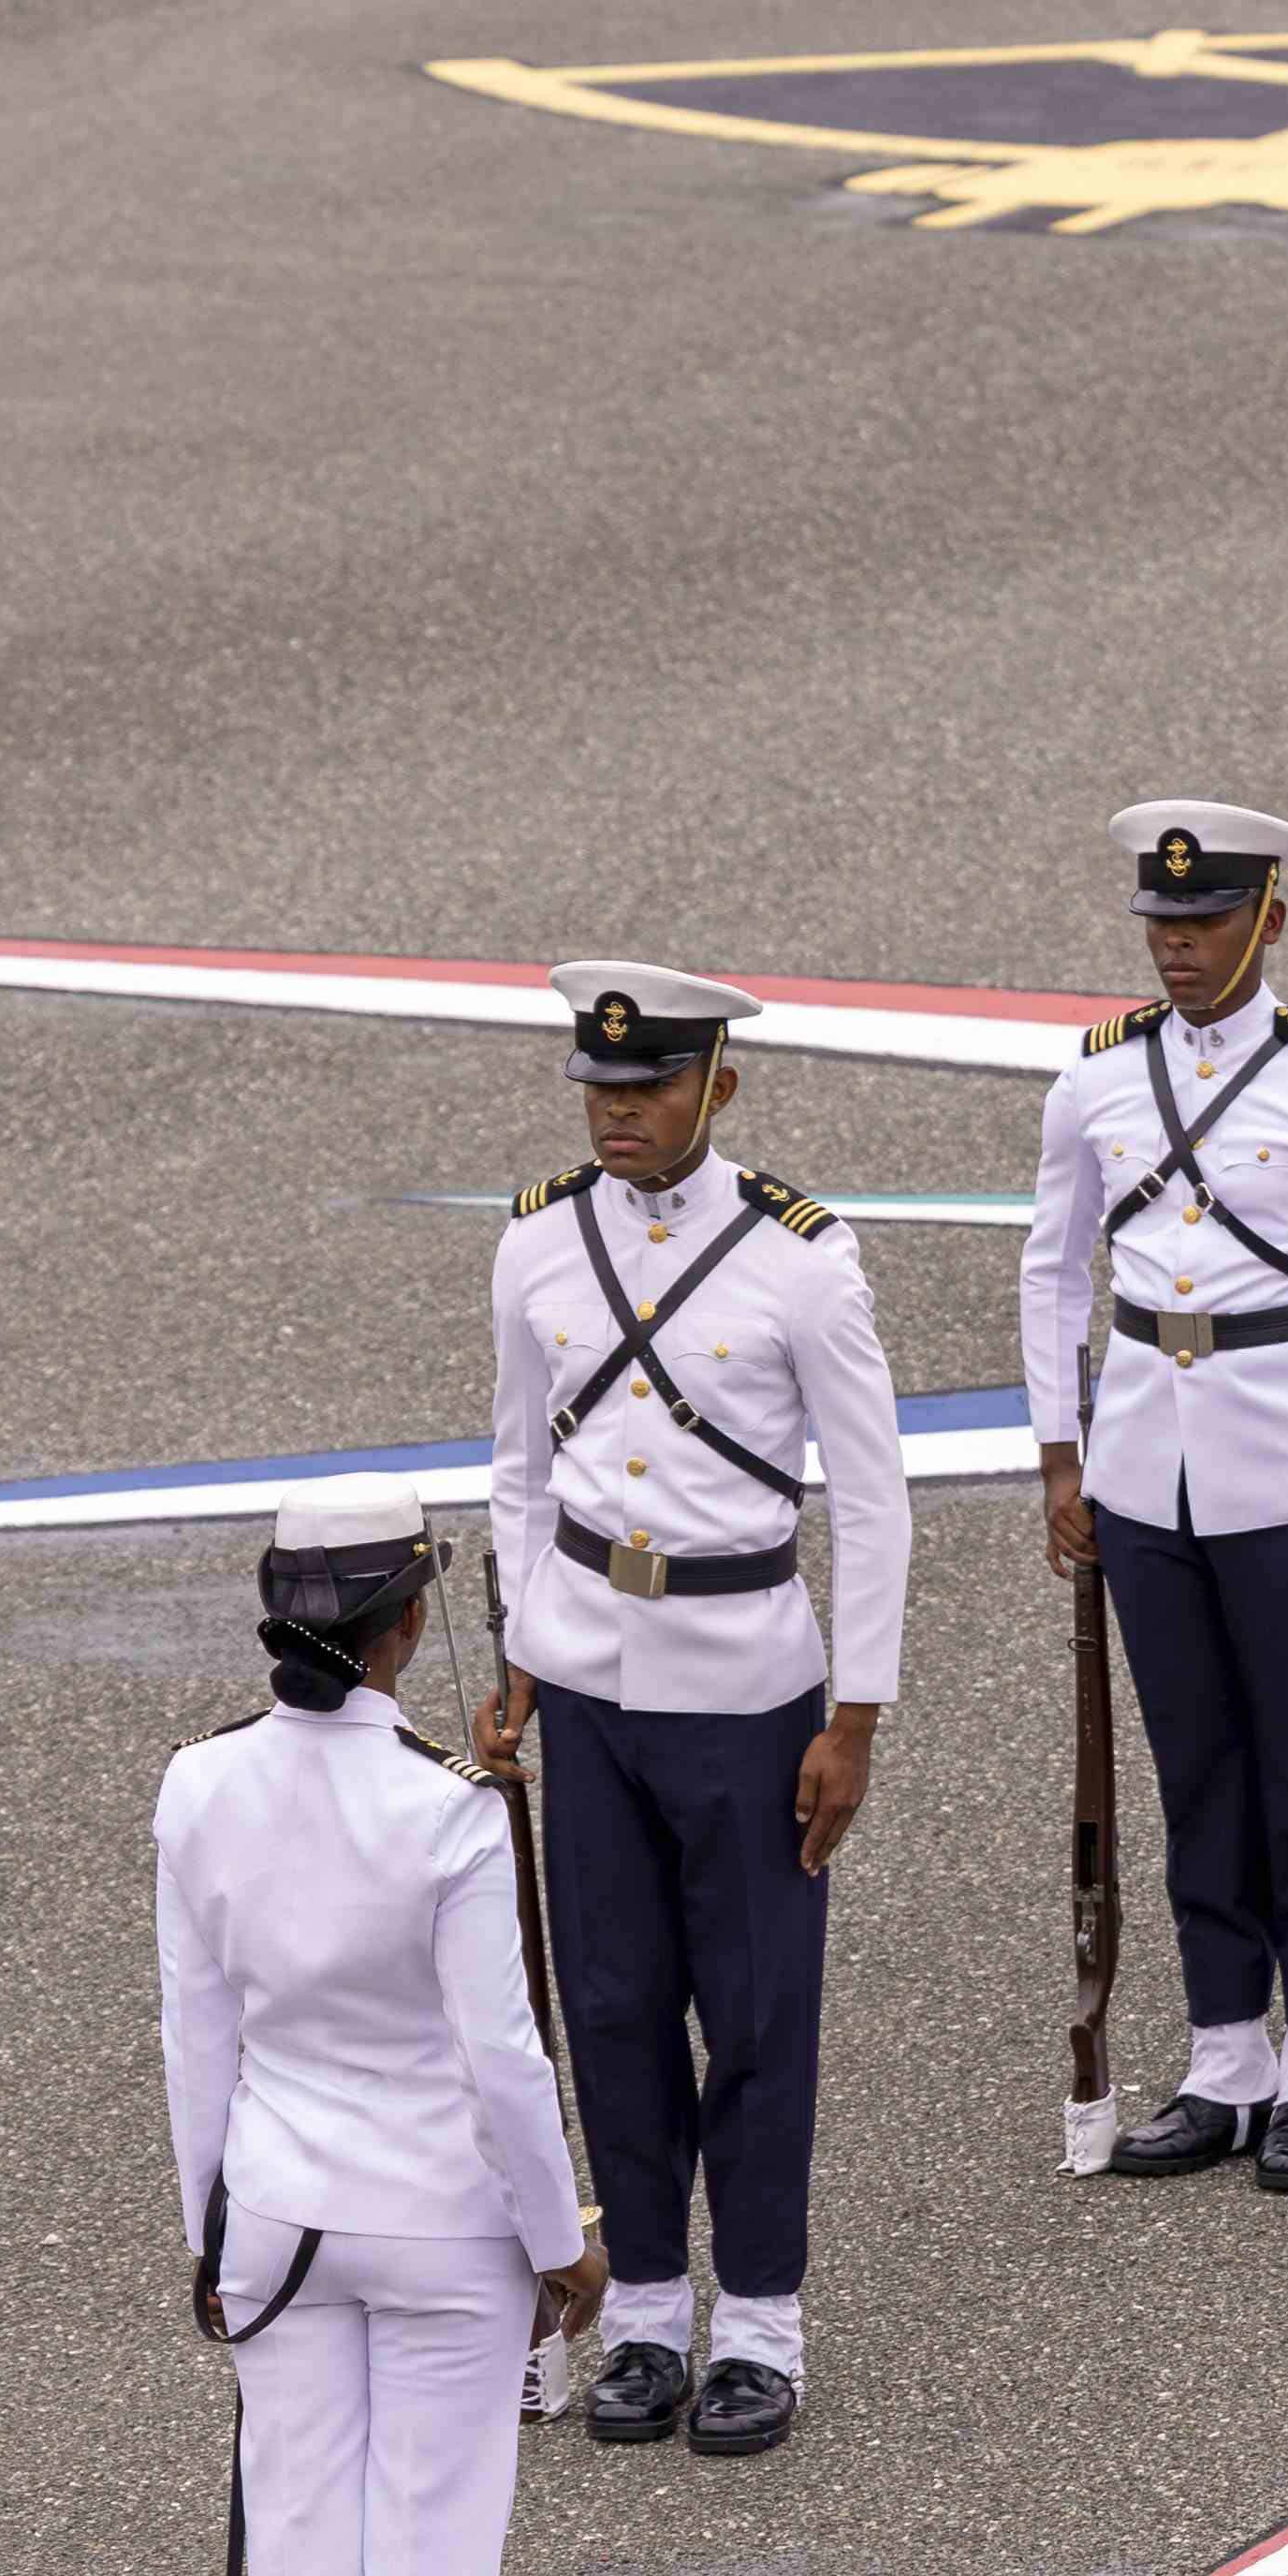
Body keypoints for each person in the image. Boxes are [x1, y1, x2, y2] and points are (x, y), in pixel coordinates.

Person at [161, 1477, 607, 2576]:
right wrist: (565, 2243)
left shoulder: (198, 1789)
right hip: (439, 2225)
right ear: (408, 1624)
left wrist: (209, 2235)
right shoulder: (446, 1810)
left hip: (279, 2219)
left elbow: (195, 2034)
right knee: (430, 2556)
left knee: (302, 2551)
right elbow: (501, 2059)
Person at [475, 960, 906, 2462]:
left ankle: (762, 2327)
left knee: (759, 2013)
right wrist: (525, 1649)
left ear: (717, 1087)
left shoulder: (802, 1257)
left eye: (648, 1089)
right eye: (599, 1090)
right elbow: (522, 1465)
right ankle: (650, 2311)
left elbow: (873, 1494)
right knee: (611, 2002)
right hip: (591, 1674)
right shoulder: (537, 1242)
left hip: (746, 1682)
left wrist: (857, 1714)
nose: (619, 1116)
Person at [1026, 803, 1288, 2191]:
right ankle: (1224, 2055)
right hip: (1150, 1460)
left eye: (1204, 926)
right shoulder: (1096, 1079)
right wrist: (1060, 1451)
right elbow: (1054, 1269)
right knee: (1196, 1769)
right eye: (1162, 926)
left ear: (1270, 920)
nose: (1179, 950)